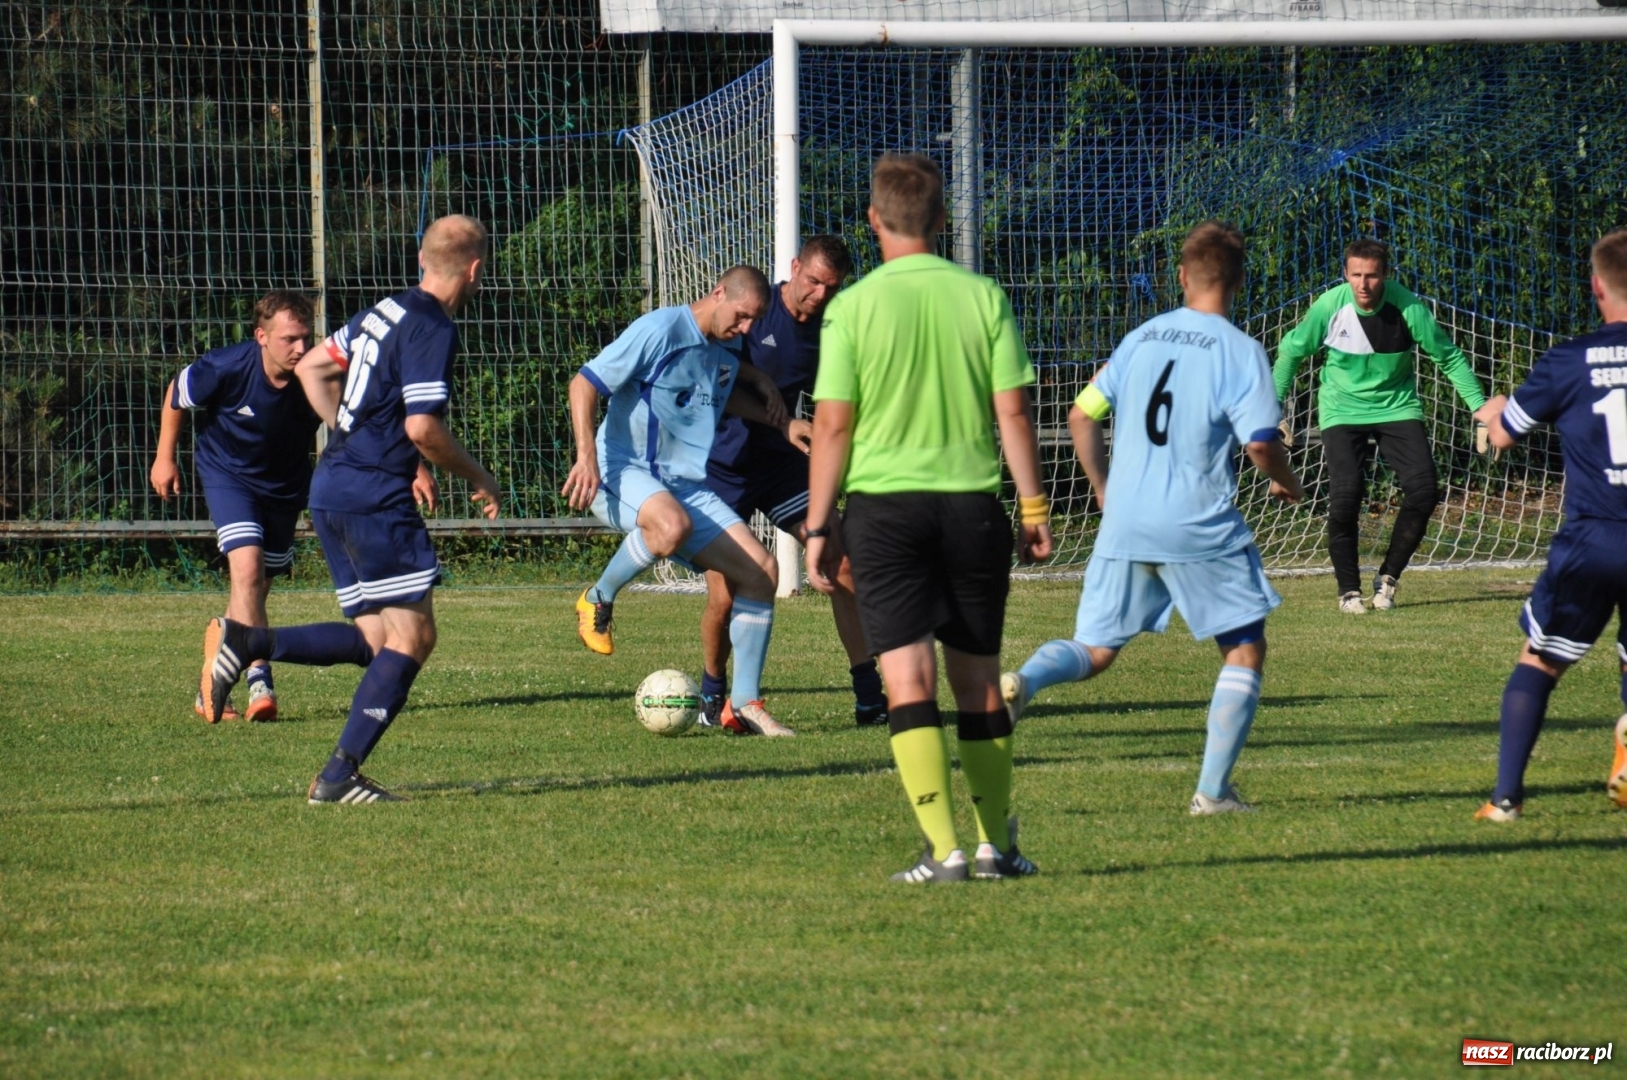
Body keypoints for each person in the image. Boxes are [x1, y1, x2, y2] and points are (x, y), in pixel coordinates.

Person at [805, 153, 1053, 883]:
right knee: (978, 683)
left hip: (884, 513)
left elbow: (833, 426)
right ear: (941, 221)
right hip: (972, 507)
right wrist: (1033, 506)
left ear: (874, 221)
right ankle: (996, 847)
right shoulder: (982, 296)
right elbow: (1013, 412)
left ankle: (944, 851)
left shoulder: (852, 307)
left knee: (908, 684)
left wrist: (818, 527)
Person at [1002, 222, 1305, 817]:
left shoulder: (1141, 338)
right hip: (1197, 523)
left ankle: (1024, 682)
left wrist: (1103, 489)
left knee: (1093, 649)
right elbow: (1260, 443)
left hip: (1128, 522)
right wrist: (1287, 481)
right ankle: (1213, 793)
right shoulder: (1240, 350)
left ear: (1182, 275)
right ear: (1239, 281)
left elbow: (1081, 415)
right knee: (1244, 648)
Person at [205, 214, 500, 804]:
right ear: (474, 271)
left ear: (422, 260)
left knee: (376, 640)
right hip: (374, 496)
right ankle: (338, 775)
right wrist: (479, 475)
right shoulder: (432, 326)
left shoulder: (383, 311)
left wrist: (349, 431)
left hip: (332, 487)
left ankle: (250, 642)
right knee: (414, 637)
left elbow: (314, 366)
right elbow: (422, 427)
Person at [564, 265, 800, 737]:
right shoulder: (659, 329)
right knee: (671, 526)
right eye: (742, 316)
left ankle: (743, 704)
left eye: (754, 321)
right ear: (718, 292)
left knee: (762, 572)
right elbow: (583, 383)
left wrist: (781, 420)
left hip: (684, 487)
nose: (746, 329)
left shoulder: (726, 345)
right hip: (622, 470)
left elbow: (718, 395)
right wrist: (586, 457)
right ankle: (597, 598)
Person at [698, 236, 887, 731]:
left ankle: (869, 697)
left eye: (832, 287)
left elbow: (835, 408)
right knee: (725, 596)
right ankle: (713, 694)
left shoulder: (831, 331)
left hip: (781, 467)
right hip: (721, 469)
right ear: (795, 267)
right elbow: (712, 383)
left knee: (841, 564)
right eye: (814, 282)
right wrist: (780, 421)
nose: (820, 294)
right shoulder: (754, 311)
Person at [1474, 227, 1627, 822]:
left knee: (1540, 660)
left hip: (1594, 536)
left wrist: (1494, 412)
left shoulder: (1568, 359)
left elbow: (1504, 435)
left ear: (1596, 287)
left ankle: (1505, 799)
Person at [1273, 239, 1496, 613]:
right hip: (1342, 410)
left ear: (1386, 275)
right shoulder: (1329, 306)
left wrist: (1480, 409)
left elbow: (1449, 357)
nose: (1363, 284)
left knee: (1424, 490)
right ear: (1345, 274)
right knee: (1346, 494)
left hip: (1397, 406)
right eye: (1356, 275)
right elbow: (1291, 351)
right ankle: (1349, 592)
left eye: (1372, 276)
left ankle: (1388, 579)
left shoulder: (1409, 308)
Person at [151, 290, 321, 723]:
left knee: (255, 589)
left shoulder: (320, 375)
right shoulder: (227, 366)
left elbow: (363, 417)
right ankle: (260, 678)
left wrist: (410, 465)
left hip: (284, 487)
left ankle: (212, 679)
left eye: (306, 337)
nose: (300, 347)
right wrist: (164, 457)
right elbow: (177, 392)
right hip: (229, 477)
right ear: (261, 336)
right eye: (289, 339)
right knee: (246, 571)